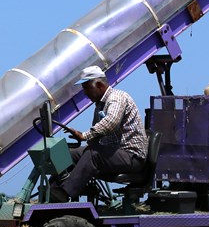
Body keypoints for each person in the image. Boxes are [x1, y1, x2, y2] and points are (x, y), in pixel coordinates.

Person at [48, 66, 148, 202]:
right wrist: (82, 140)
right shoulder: (100, 106)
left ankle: (64, 193)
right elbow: (96, 138)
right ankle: (52, 192)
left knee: (93, 154)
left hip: (131, 156)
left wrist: (84, 136)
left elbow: (111, 122)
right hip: (112, 154)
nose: (85, 93)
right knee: (67, 154)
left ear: (100, 85)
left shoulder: (116, 98)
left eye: (87, 88)